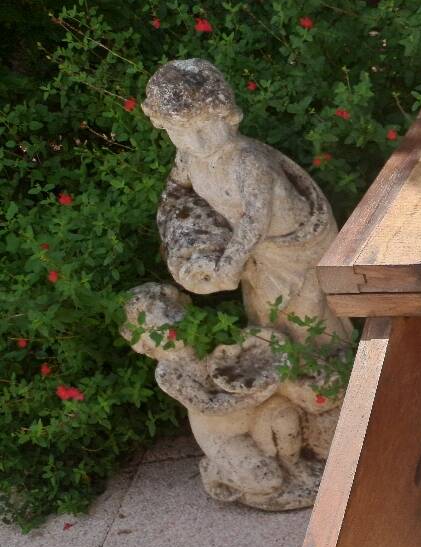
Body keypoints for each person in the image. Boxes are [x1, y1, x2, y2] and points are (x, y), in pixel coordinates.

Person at [142, 58, 351, 346]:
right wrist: (183, 251)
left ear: (227, 115)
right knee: (266, 315)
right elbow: (175, 194)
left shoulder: (246, 160)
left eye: (205, 125)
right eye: (180, 131)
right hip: (255, 252)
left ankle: (340, 371)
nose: (198, 142)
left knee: (310, 316)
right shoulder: (188, 158)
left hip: (295, 247)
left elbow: (256, 219)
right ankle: (288, 373)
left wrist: (228, 266)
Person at [121, 284, 322, 511]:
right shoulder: (169, 372)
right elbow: (208, 405)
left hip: (256, 415)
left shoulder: (204, 340)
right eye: (157, 328)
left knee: (286, 417)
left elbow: (239, 356)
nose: (172, 328)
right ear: (143, 342)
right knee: (268, 481)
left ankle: (292, 465)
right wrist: (254, 397)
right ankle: (216, 470)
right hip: (225, 437)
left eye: (174, 317)